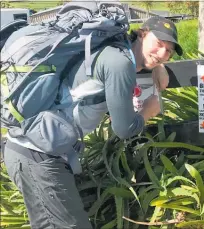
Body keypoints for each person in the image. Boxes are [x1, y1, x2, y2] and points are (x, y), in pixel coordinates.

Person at [2, 16, 182, 229]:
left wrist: (158, 65)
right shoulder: (120, 62)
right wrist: (148, 112)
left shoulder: (115, 49)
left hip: (32, 151)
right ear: (142, 33)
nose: (162, 53)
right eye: (159, 44)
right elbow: (124, 128)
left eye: (169, 51)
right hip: (38, 157)